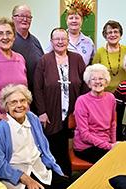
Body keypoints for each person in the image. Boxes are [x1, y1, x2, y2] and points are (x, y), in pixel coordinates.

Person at [0, 84, 70, 189]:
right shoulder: (1, 128)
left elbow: (45, 150)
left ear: (27, 103)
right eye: (13, 102)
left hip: (40, 171)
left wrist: (57, 170)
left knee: (72, 187)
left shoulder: (32, 118)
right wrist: (26, 179)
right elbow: (0, 166)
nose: (19, 105)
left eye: (22, 101)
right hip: (18, 179)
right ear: (6, 107)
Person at [33, 28, 88, 176]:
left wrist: (80, 109)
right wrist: (42, 112)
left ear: (68, 41)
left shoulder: (77, 59)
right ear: (51, 42)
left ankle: (69, 177)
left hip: (73, 112)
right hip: (51, 112)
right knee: (54, 146)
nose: (60, 42)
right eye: (56, 39)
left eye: (63, 39)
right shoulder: (44, 60)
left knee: (70, 146)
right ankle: (57, 177)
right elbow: (37, 88)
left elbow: (85, 84)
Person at [0, 5, 44, 98]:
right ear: (13, 18)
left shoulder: (35, 41)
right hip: (9, 98)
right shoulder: (4, 41)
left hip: (32, 96)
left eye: (28, 17)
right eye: (21, 16)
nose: (25, 19)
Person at [73, 64, 116, 163]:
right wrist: (109, 146)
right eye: (93, 79)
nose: (97, 82)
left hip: (105, 143)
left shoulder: (111, 98)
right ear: (88, 83)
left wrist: (113, 144)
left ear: (106, 81)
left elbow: (113, 123)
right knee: (110, 162)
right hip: (86, 147)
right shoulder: (82, 101)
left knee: (121, 156)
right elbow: (84, 135)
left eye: (101, 78)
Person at [92, 20, 126, 92]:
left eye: (116, 32)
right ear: (105, 36)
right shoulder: (100, 52)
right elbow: (93, 74)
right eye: (110, 32)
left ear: (120, 34)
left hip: (125, 92)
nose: (113, 35)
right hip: (104, 93)